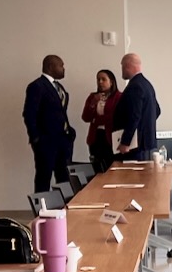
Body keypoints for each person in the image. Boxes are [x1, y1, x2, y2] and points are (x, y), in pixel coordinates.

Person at [23, 54, 75, 193]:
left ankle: (64, 210)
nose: (64, 69)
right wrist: (36, 138)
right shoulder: (37, 86)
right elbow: (29, 114)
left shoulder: (59, 86)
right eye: (61, 65)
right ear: (51, 67)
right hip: (46, 141)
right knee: (43, 177)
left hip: (63, 139)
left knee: (64, 177)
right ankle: (42, 211)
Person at [114, 53, 160, 161]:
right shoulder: (147, 85)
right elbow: (157, 111)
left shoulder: (135, 86)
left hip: (135, 146)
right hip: (146, 144)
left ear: (127, 66)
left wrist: (125, 142)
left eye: (122, 66)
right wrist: (146, 125)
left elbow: (134, 116)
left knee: (133, 177)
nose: (122, 70)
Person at [81, 69, 122, 173]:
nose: (100, 82)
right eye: (98, 79)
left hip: (111, 137)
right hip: (96, 137)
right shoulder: (93, 97)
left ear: (111, 82)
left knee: (112, 168)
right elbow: (85, 117)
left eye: (103, 79)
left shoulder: (119, 97)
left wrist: (96, 119)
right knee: (97, 168)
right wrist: (93, 103)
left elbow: (114, 117)